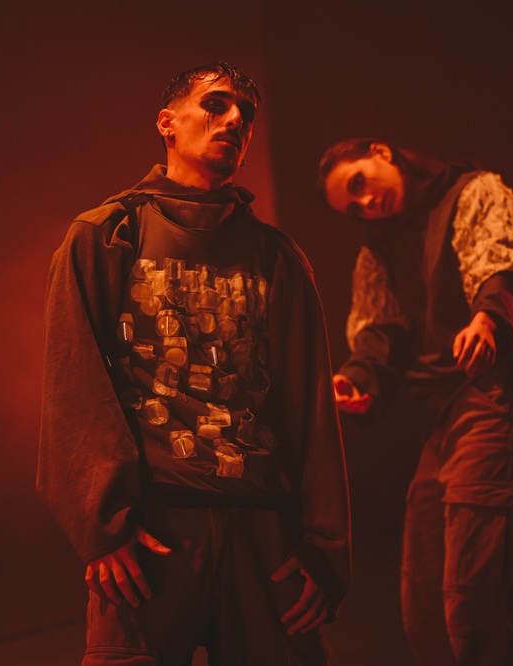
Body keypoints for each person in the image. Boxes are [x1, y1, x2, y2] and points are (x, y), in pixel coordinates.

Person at [37, 62, 351, 666]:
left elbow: (310, 408)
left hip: (263, 534)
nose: (235, 120)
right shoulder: (106, 236)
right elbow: (73, 385)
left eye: (246, 114)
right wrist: (102, 527)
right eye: (216, 104)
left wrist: (324, 547)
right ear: (167, 123)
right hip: (150, 537)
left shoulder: (277, 258)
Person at [318, 139, 513, 665]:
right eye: (352, 207)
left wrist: (488, 318)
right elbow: (381, 332)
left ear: (381, 153)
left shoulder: (470, 193)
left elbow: (502, 266)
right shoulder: (380, 250)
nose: (365, 203)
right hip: (444, 420)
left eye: (359, 183)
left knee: (477, 599)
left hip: (497, 397)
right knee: (424, 603)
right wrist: (357, 377)